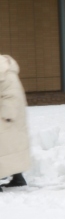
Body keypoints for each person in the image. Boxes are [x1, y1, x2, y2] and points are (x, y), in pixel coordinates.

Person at [0, 53, 31, 190]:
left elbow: (12, 95)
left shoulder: (4, 74)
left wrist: (7, 114)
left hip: (7, 117)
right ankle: (18, 178)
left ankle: (17, 178)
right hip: (10, 117)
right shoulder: (5, 71)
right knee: (11, 148)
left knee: (6, 148)